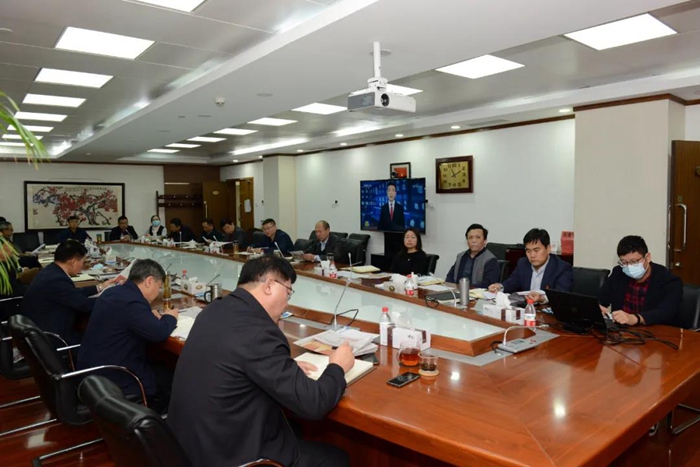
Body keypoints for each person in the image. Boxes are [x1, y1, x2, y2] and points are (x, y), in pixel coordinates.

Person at [168, 256, 353, 467]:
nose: (287, 302)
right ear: (269, 285)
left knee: (294, 429)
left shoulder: (215, 309)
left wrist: (284, 366)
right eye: (288, 292)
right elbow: (314, 404)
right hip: (230, 455)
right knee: (337, 458)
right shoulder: (260, 332)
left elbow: (238, 360)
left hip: (187, 448)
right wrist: (338, 366)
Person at [77, 259, 179, 413]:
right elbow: (159, 333)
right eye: (159, 287)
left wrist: (148, 317)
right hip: (114, 376)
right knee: (174, 376)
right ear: (149, 281)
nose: (158, 292)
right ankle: (156, 419)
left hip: (93, 369)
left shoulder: (115, 292)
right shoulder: (132, 302)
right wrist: (170, 317)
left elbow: (129, 318)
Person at [21, 240, 122, 344]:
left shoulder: (51, 271)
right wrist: (114, 296)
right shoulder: (57, 280)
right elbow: (85, 305)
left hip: (41, 330)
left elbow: (72, 293)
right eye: (82, 262)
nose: (82, 266)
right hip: (54, 338)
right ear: (73, 262)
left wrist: (100, 287)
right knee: (107, 337)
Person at [598, 235, 682, 326]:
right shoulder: (619, 273)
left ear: (647, 257)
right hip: (621, 329)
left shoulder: (668, 280)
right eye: (624, 262)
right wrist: (599, 308)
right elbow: (602, 298)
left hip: (653, 330)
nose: (629, 267)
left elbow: (666, 312)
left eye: (634, 262)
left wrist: (636, 318)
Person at [488, 228, 572, 303]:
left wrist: (542, 298)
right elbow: (512, 282)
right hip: (526, 309)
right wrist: (499, 287)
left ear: (548, 249)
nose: (532, 255)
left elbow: (561, 295)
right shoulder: (523, 263)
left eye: (536, 250)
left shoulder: (562, 268)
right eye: (528, 251)